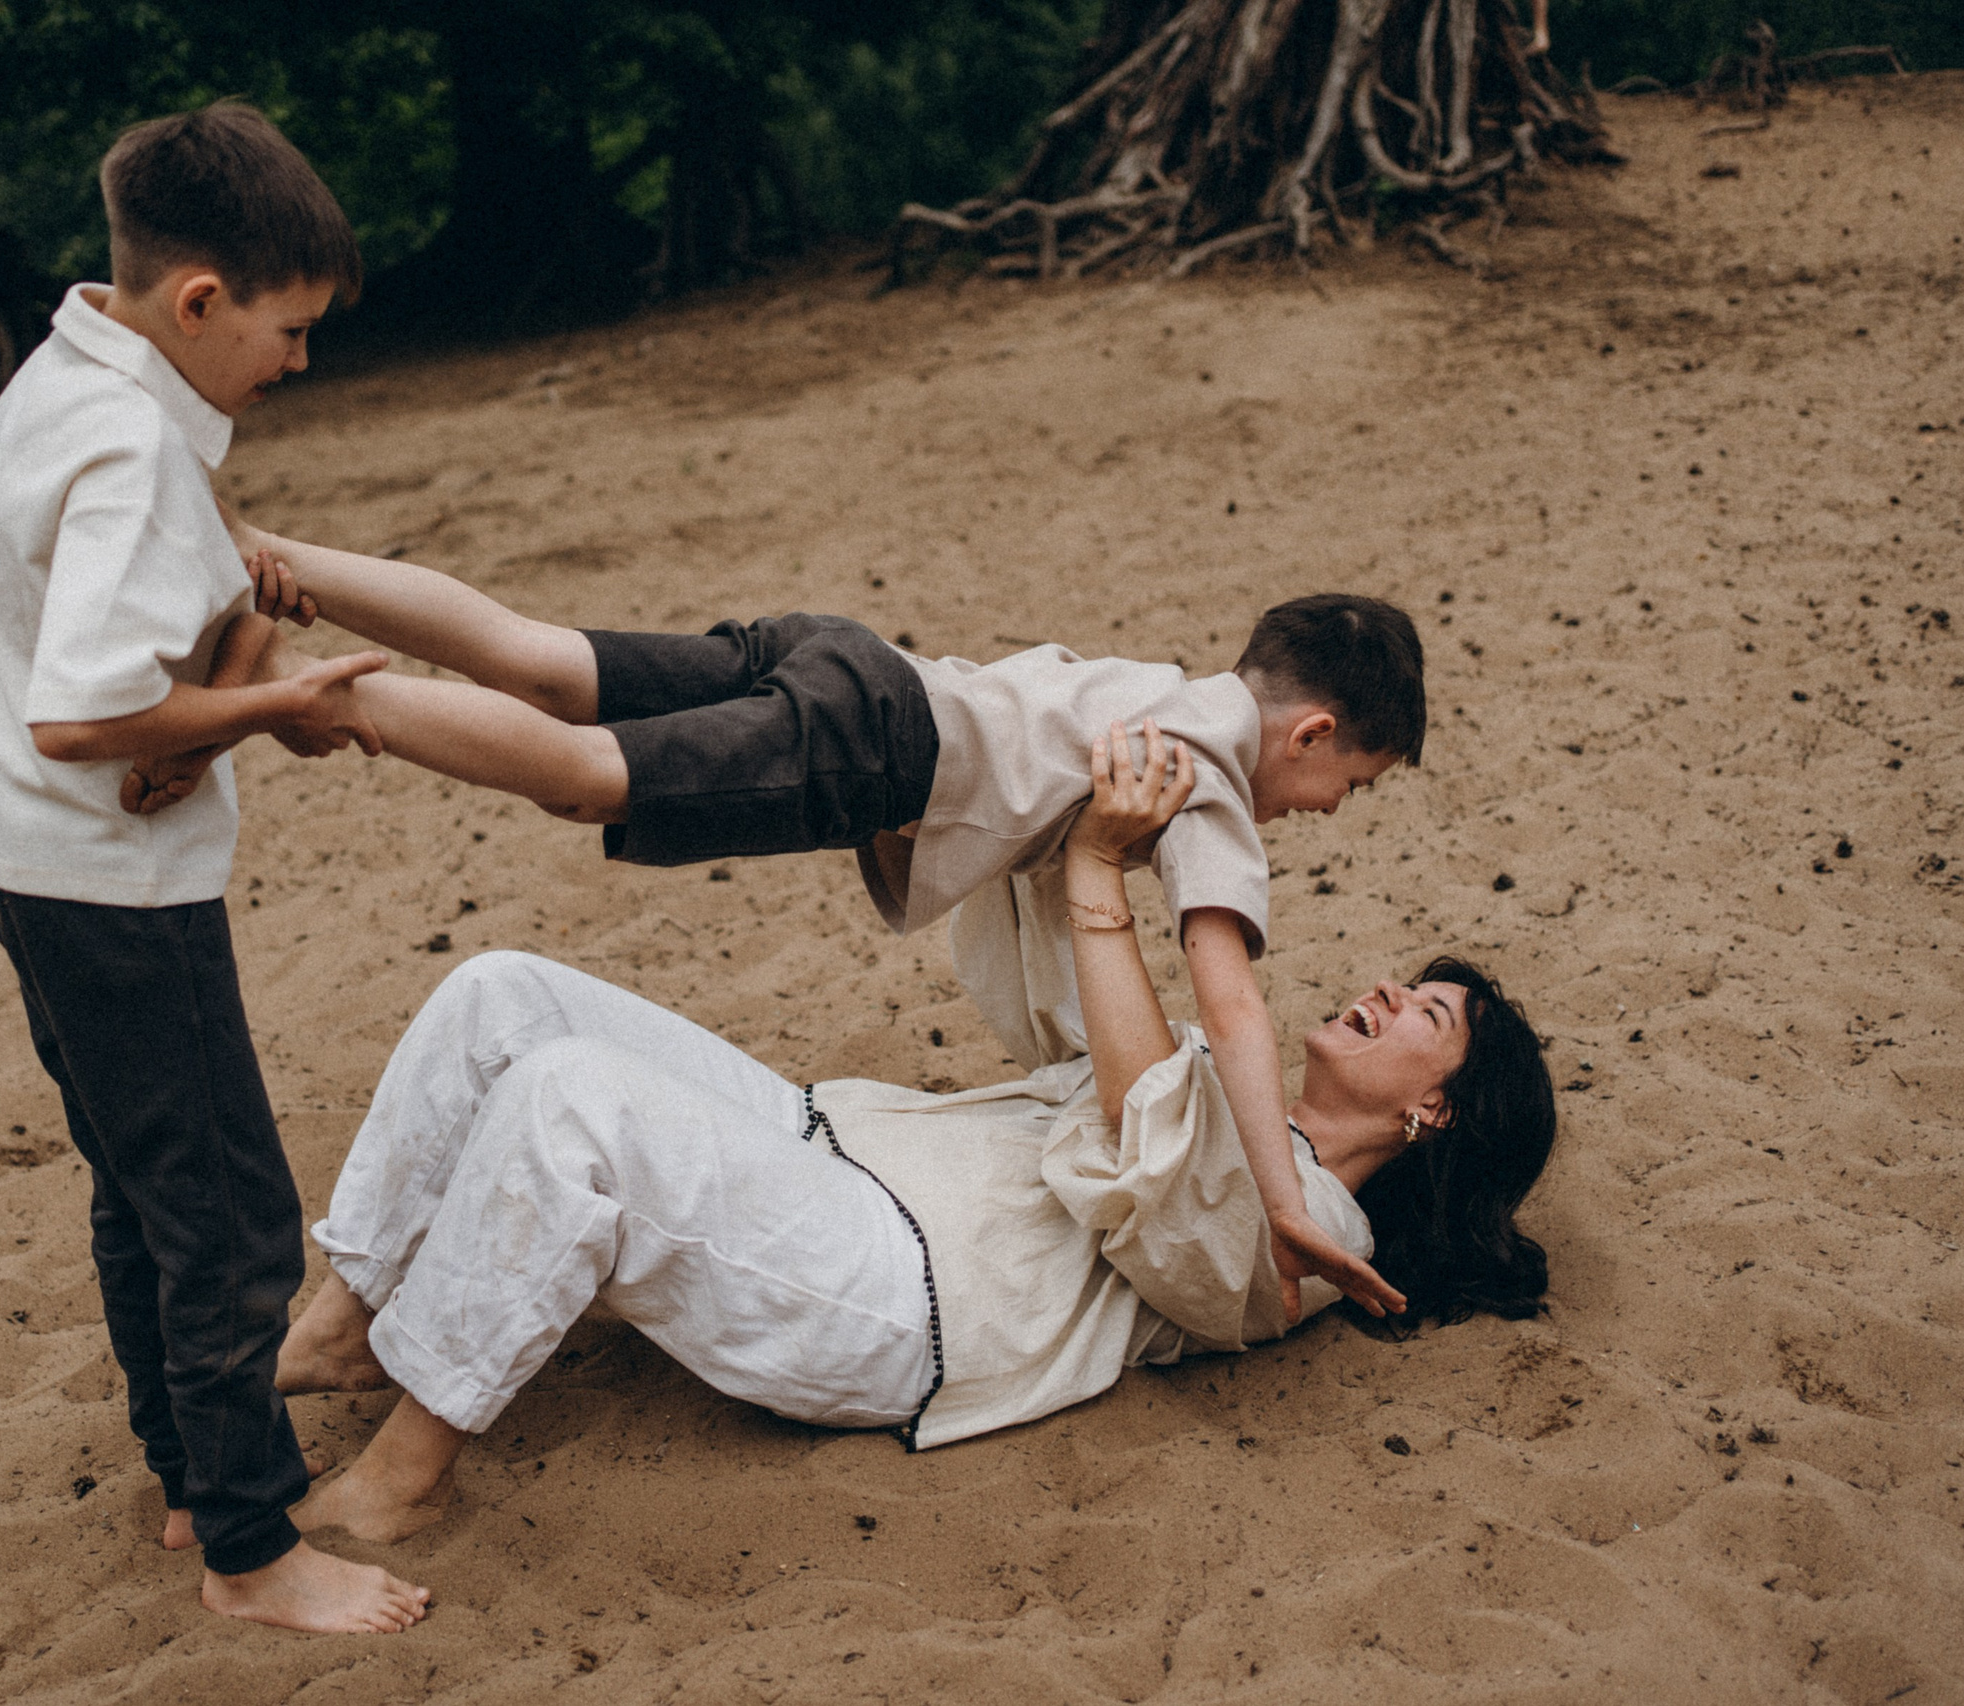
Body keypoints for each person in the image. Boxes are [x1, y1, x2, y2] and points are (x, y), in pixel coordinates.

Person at [273, 724, 1556, 1543]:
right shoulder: (1233, 1073)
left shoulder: (1316, 1236)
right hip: (841, 1144)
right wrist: (1063, 816)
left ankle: (402, 1476)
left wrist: (1103, 878)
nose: (1388, 992)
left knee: (571, 1101)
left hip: (900, 1294)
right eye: (1407, 981)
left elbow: (1153, 1166)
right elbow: (1073, 1012)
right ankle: (351, 1315)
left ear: (1433, 1106)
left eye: (1426, 1011)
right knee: (505, 987)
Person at [138, 534, 1427, 1320]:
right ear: (1312, 732)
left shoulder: (1171, 691)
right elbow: (1232, 1000)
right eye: (1346, 785)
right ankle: (287, 694)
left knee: (537, 654)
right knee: (582, 770)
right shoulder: (1209, 774)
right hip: (880, 741)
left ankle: (267, 557)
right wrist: (1276, 1195)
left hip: (852, 660)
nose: (1320, 808)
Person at [0, 102, 429, 1634]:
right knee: (228, 1214)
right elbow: (87, 716)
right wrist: (281, 699)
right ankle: (253, 1547)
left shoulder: (72, 368)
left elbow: (135, 648)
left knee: (143, 1190)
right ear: (201, 299)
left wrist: (240, 601)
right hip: (110, 885)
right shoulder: (138, 445)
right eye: (288, 329)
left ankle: (189, 1472)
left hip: (16, 856)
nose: (299, 361)